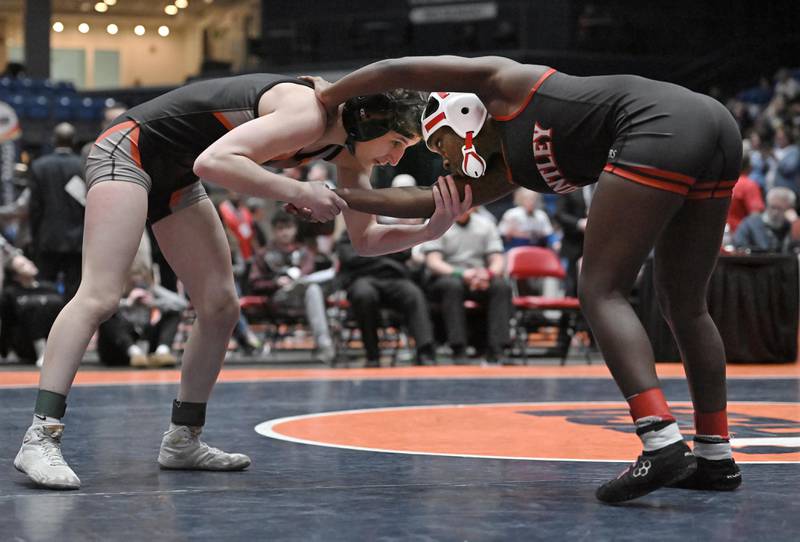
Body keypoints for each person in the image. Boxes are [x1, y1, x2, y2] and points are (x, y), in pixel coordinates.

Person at [314, 55, 743, 502]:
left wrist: (330, 96)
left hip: (659, 124)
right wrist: (338, 197)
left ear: (462, 118)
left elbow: (400, 70)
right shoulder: (506, 171)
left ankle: (660, 442)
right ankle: (716, 456)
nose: (445, 163)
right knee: (685, 304)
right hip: (714, 128)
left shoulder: (506, 86)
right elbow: (428, 200)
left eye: (441, 147)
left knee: (600, 291)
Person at [15, 73, 471, 490]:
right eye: (396, 142)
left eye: (405, 148)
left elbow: (366, 240)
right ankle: (40, 437)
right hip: (129, 150)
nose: (396, 156)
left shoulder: (349, 156)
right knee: (99, 295)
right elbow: (214, 162)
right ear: (367, 121)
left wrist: (428, 231)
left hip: (175, 176)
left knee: (219, 306)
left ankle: (183, 439)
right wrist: (298, 190)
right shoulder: (308, 110)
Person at [421, 207, 511, 363]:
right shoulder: (437, 223)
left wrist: (487, 274)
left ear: (474, 206)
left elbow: (497, 260)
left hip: (479, 276)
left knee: (501, 286)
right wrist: (461, 274)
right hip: (448, 276)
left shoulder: (486, 224)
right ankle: (458, 348)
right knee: (452, 286)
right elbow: (433, 262)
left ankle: (498, 349)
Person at [336, 229, 436, 367]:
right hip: (363, 277)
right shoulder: (348, 232)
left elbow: (405, 252)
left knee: (414, 293)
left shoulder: (388, 227)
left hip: (393, 278)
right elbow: (349, 258)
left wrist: (369, 253)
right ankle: (372, 353)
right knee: (363, 294)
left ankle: (425, 351)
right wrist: (386, 256)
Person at [28, 122, 85, 302]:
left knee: (45, 289)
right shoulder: (82, 166)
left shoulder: (39, 166)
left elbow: (35, 207)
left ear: (53, 140)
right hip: (78, 240)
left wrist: (35, 237)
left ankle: (46, 328)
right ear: (74, 140)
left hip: (48, 238)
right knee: (74, 293)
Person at [733, 186, 798, 253]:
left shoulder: (792, 226)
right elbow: (738, 247)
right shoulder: (750, 224)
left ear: (789, 209)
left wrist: (795, 223)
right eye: (772, 207)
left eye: (780, 209)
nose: (775, 213)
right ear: (766, 205)